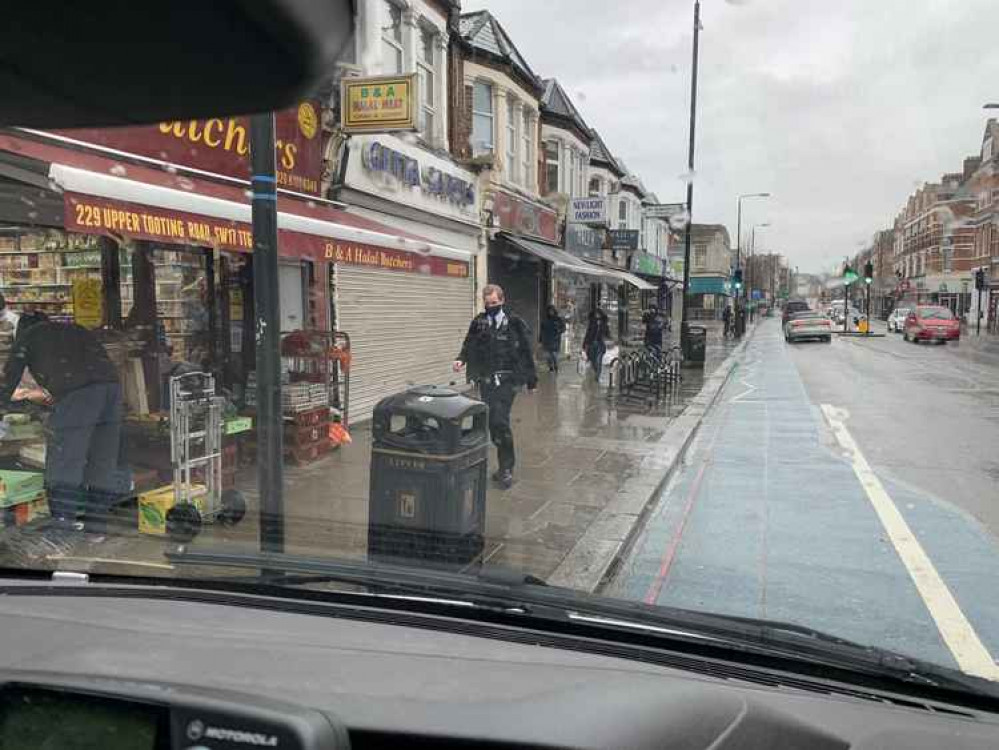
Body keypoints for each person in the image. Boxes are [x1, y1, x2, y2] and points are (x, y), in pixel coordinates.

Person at [0, 317, 123, 537]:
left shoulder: (29, 336)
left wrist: (3, 406)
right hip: (111, 389)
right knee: (102, 460)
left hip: (79, 394)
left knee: (65, 462)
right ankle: (97, 529)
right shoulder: (72, 328)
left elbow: (9, 377)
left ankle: (62, 530)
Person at [454, 285, 537, 489]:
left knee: (500, 421)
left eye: (494, 303)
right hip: (486, 381)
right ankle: (501, 466)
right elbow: (469, 343)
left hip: (507, 381)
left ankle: (507, 468)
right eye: (487, 303)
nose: (490, 306)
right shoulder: (479, 322)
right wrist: (460, 359)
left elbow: (526, 350)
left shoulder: (514, 323)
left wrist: (531, 379)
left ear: (502, 301)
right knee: (492, 423)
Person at [582, 307, 611, 382]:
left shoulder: (604, 324)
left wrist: (609, 339)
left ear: (601, 315)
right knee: (593, 360)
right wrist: (584, 344)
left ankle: (597, 377)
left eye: (598, 314)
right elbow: (587, 334)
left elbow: (608, 334)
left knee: (598, 360)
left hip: (600, 345)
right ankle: (596, 372)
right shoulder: (591, 323)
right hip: (591, 345)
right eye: (596, 314)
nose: (597, 315)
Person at [539, 304, 566, 373]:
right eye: (549, 311)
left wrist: (559, 330)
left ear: (554, 311)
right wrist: (540, 339)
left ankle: (556, 366)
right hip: (547, 340)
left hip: (555, 340)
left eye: (552, 311)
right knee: (548, 356)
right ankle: (551, 368)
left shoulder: (558, 319)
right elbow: (542, 330)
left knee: (554, 355)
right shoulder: (545, 320)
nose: (550, 312)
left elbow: (563, 328)